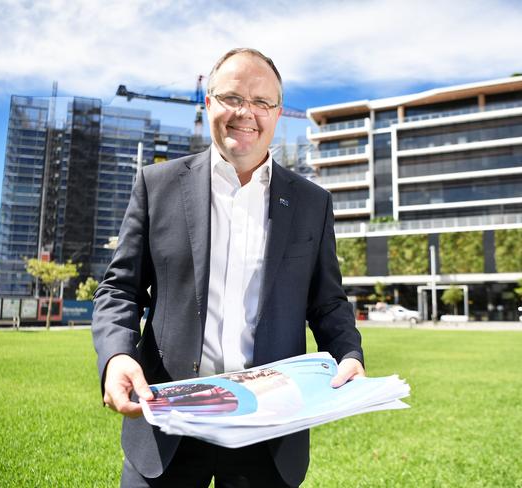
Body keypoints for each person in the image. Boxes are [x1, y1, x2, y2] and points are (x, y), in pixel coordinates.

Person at [92, 47, 365, 488]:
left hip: (269, 432)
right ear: (208, 102)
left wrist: (349, 354)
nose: (246, 113)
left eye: (262, 102)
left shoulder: (313, 203)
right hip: (169, 424)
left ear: (278, 113)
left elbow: (328, 301)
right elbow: (120, 289)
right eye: (233, 98)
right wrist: (118, 354)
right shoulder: (156, 185)